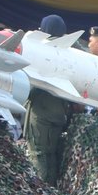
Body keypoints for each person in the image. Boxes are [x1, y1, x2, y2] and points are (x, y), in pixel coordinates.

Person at [24, 15, 73, 184]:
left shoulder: (43, 48)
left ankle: (41, 192)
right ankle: (52, 190)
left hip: (41, 110)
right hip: (59, 111)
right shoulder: (70, 51)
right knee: (50, 154)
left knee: (37, 152)